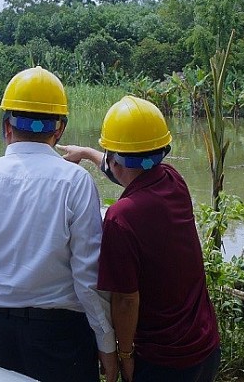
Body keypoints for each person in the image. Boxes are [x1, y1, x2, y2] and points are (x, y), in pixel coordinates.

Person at [0, 66, 118, 382]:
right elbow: (88, 277)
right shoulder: (75, 182)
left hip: (0, 333)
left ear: (6, 127)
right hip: (64, 337)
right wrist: (106, 344)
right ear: (61, 130)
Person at [60, 95, 220, 382]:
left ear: (114, 159)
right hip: (204, 347)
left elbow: (125, 300)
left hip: (163, 362)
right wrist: (85, 153)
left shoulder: (121, 218)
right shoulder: (174, 181)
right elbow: (127, 170)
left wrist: (124, 354)